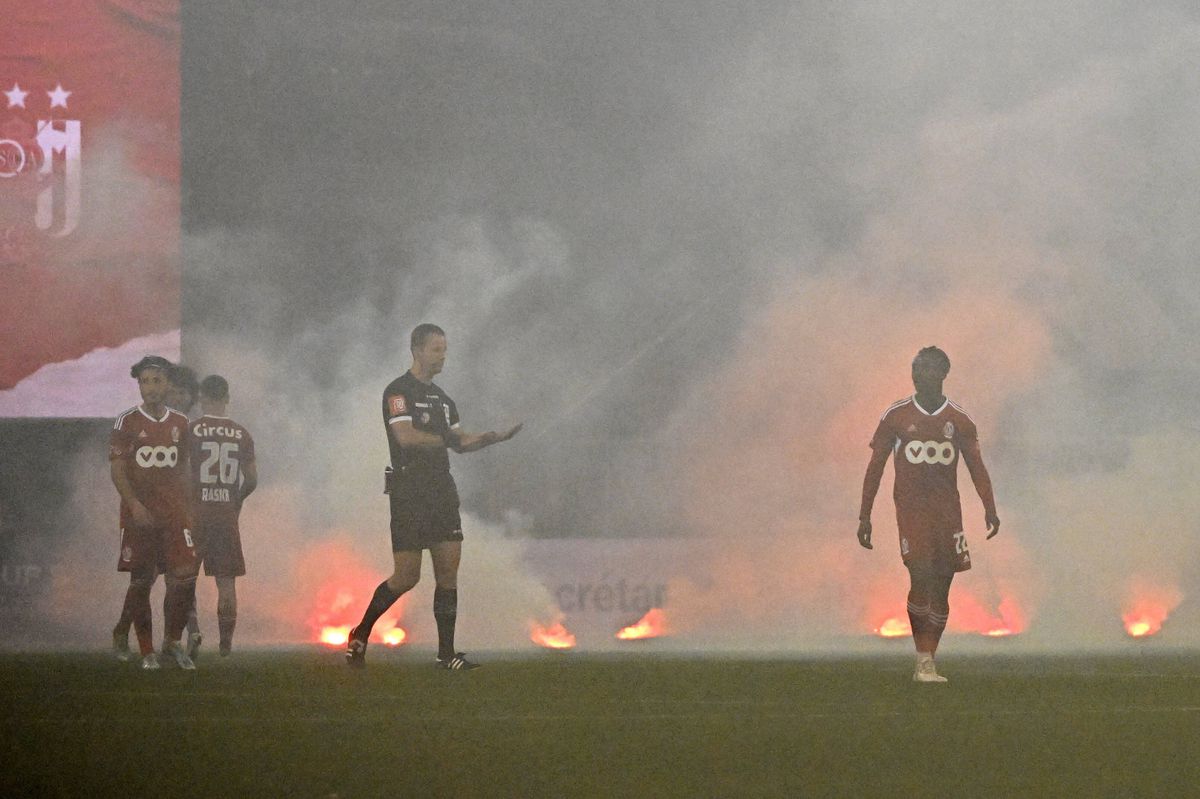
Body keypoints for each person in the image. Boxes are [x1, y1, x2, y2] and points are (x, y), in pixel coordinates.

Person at [346, 323, 522, 670]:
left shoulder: (444, 401)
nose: (443, 355)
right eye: (437, 349)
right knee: (407, 577)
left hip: (441, 491)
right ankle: (360, 632)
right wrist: (449, 440)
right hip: (409, 491)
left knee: (448, 573)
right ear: (417, 350)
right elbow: (405, 437)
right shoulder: (397, 392)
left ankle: (446, 655)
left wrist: (491, 438)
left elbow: (460, 443)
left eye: (445, 349)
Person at [857, 346, 1000, 683]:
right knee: (920, 575)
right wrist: (865, 515)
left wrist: (989, 508)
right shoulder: (896, 416)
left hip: (948, 513)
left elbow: (976, 467)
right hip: (911, 512)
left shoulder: (959, 420)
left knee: (942, 586)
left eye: (927, 369)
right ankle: (923, 661)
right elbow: (875, 467)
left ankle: (929, 658)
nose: (918, 374)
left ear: (942, 374)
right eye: (915, 368)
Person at [110, 356, 198, 670]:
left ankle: (172, 641)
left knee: (184, 576)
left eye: (156, 381)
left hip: (174, 512)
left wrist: (189, 508)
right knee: (143, 579)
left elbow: (185, 469)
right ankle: (144, 648)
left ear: (168, 384)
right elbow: (118, 470)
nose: (150, 388)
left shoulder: (181, 423)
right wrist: (134, 504)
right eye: (145, 382)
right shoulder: (126, 422)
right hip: (141, 514)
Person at [188, 375, 257, 657]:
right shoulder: (242, 434)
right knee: (226, 583)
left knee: (184, 579)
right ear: (227, 398)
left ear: (202, 397)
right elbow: (251, 479)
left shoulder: (191, 430)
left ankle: (192, 632)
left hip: (196, 515)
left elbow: (180, 475)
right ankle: (225, 646)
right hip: (225, 516)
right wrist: (235, 501)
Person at [165, 362, 203, 655]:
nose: (177, 397)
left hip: (187, 508)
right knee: (164, 574)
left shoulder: (192, 427)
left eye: (182, 392)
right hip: (163, 506)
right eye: (173, 392)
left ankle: (187, 631)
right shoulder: (161, 423)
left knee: (180, 573)